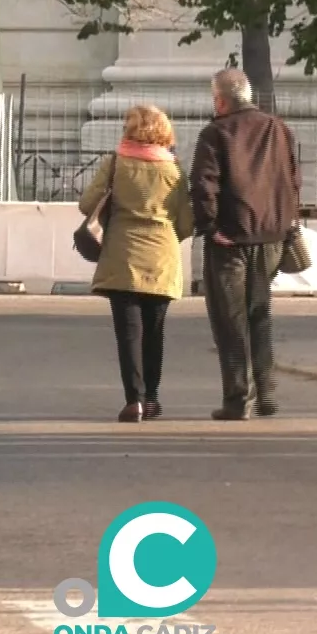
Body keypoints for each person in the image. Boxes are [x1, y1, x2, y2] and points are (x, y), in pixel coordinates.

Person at [191, 67, 300, 420]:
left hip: (230, 238)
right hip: (271, 235)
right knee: (259, 313)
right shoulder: (278, 129)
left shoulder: (215, 133)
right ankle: (266, 392)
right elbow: (293, 179)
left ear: (221, 100)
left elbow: (204, 184)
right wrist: (285, 223)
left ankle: (238, 399)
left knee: (230, 319)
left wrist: (209, 226)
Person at [79, 105, 194, 424]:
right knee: (155, 332)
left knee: (129, 333)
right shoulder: (175, 172)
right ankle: (153, 397)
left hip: (122, 257)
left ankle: (135, 400)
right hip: (162, 259)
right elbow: (186, 222)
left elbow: (87, 204)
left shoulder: (116, 163)